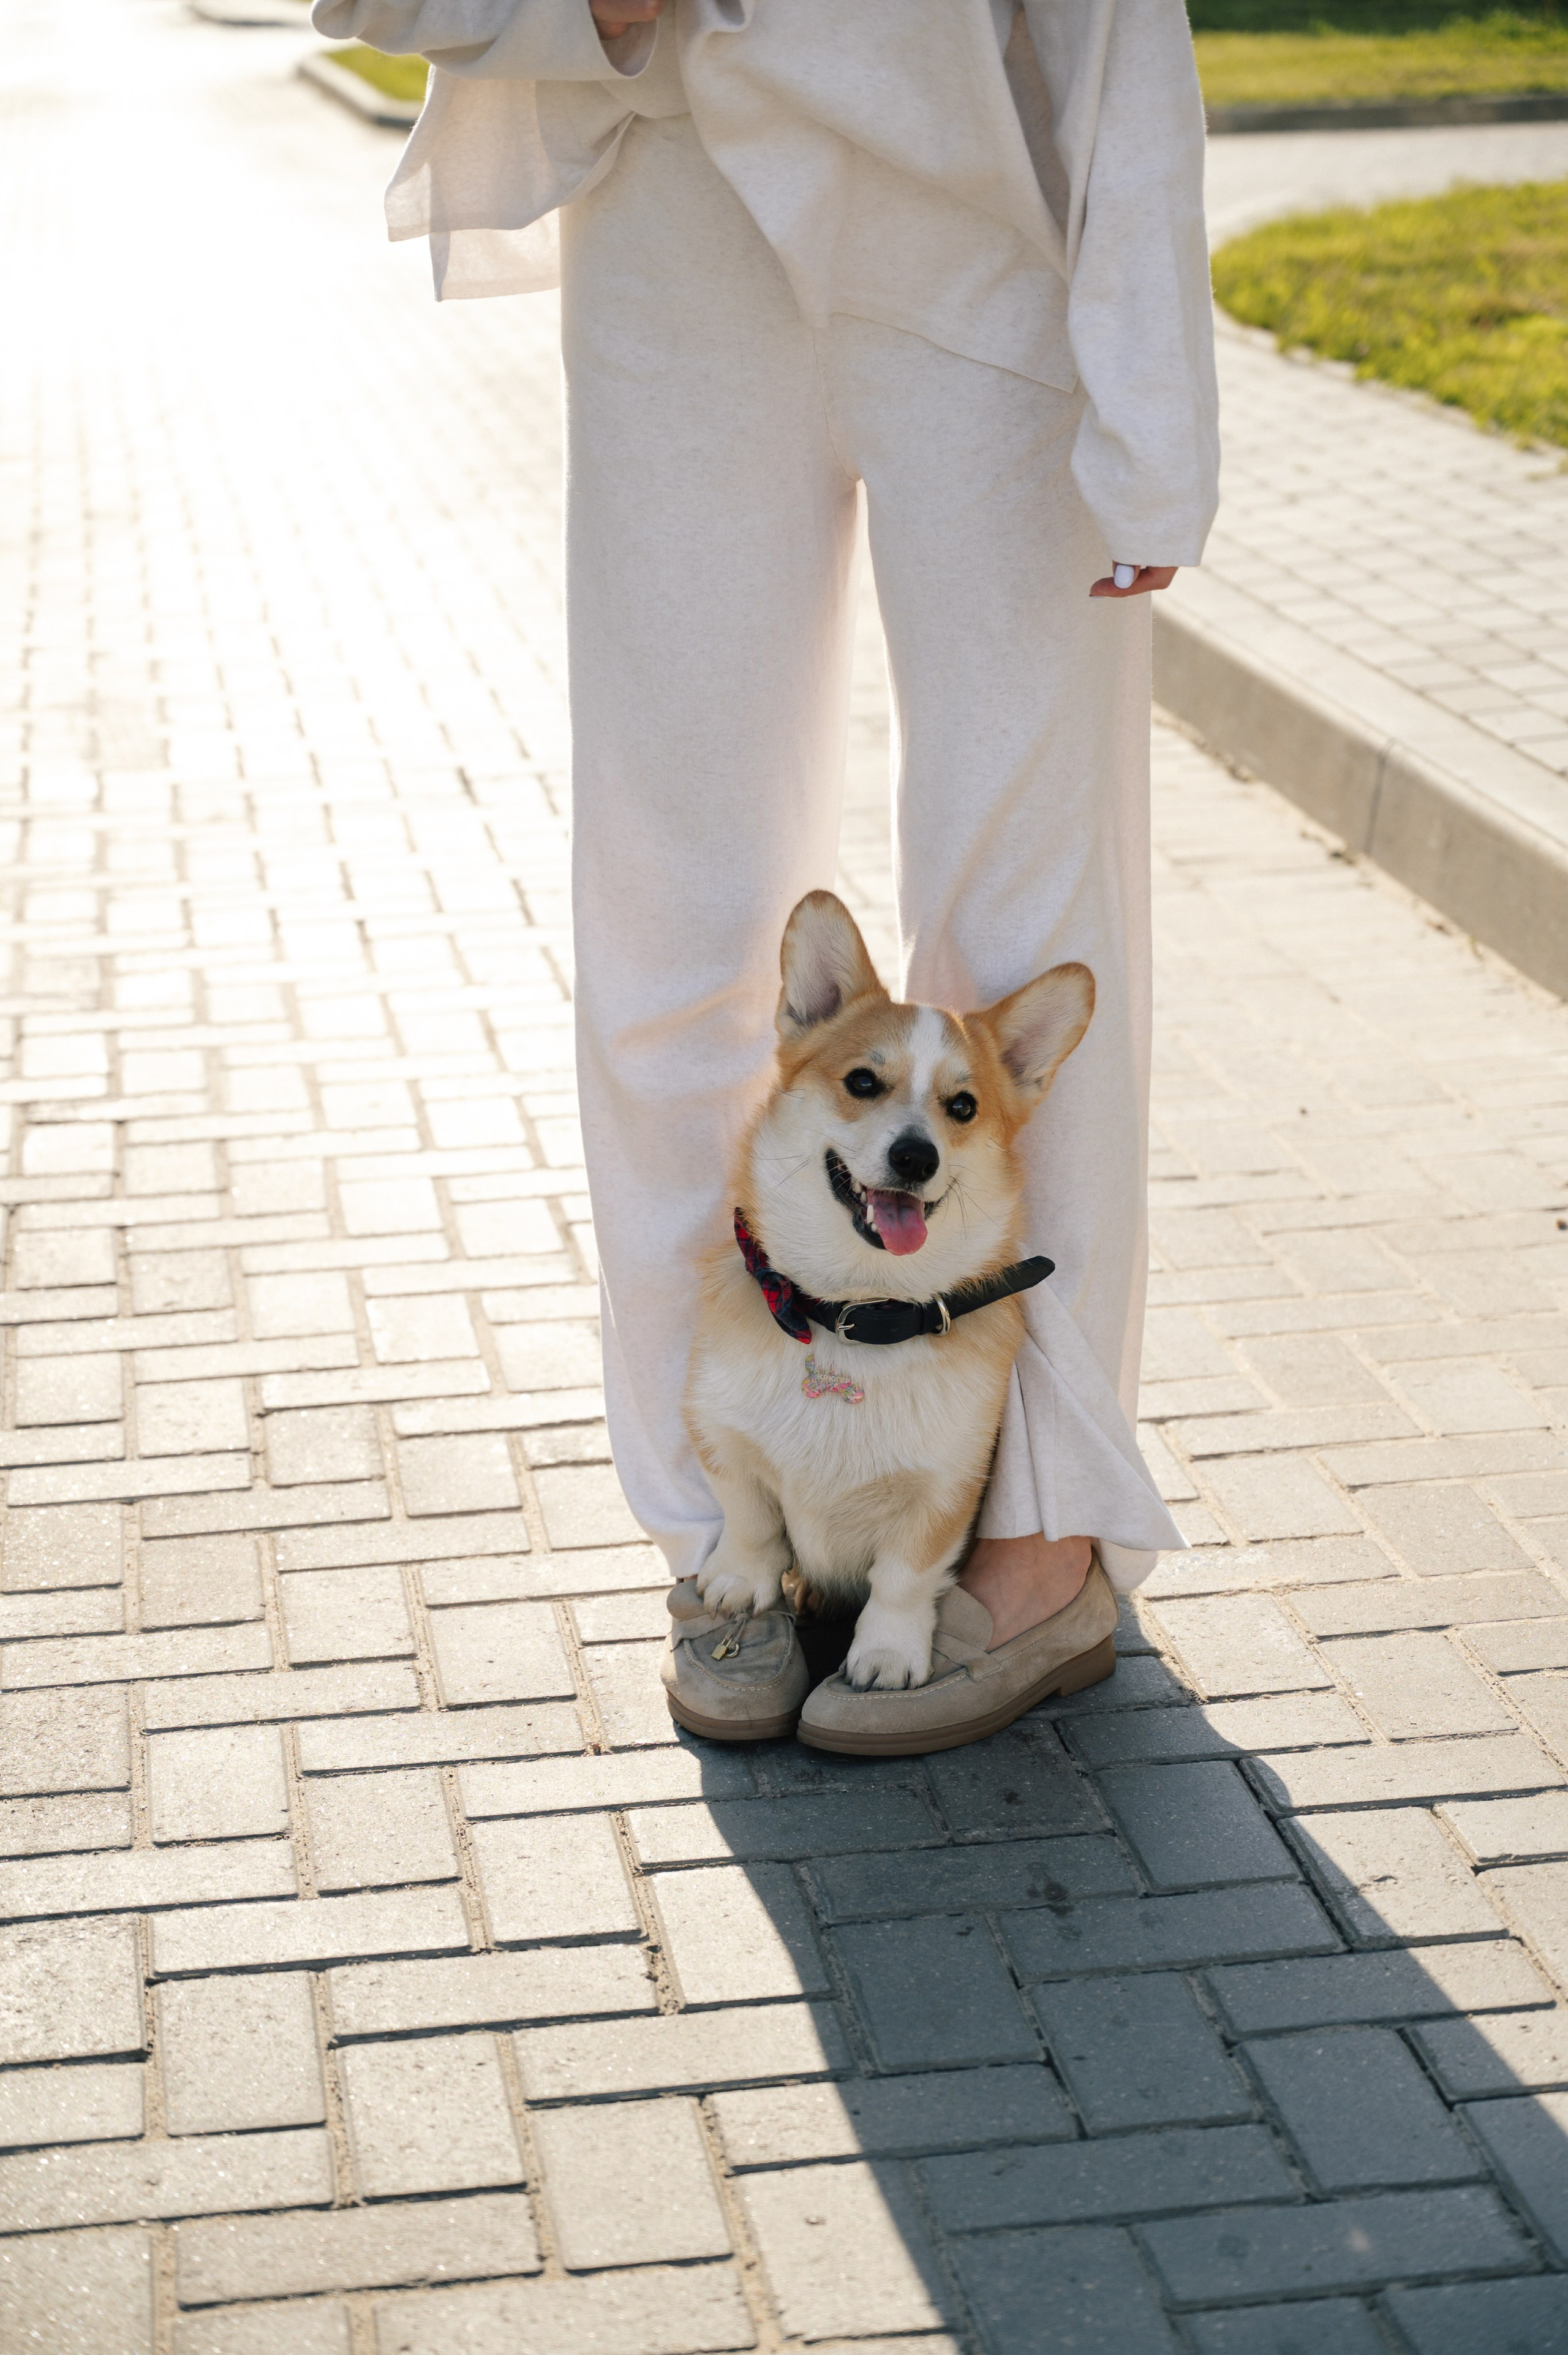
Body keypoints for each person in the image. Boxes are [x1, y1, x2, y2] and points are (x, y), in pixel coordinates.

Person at [313, 0, 1219, 1751]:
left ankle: (1035, 1536)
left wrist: (1153, 396)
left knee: (1031, 934)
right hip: (672, 213)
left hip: (987, 234)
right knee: (680, 916)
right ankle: (728, 1533)